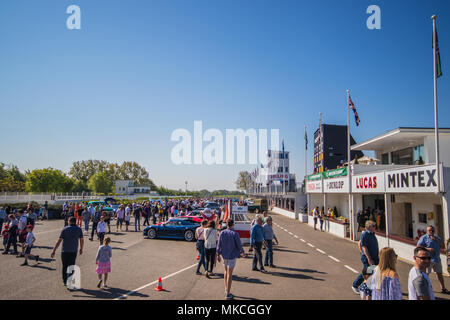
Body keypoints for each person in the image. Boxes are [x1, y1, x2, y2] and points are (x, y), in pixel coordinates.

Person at [216, 219, 246, 300]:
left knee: (226, 272)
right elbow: (239, 244)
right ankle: (228, 293)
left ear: (227, 225)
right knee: (230, 274)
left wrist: (218, 254)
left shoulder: (222, 233)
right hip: (232, 255)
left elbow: (219, 244)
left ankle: (226, 289)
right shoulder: (235, 233)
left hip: (224, 255)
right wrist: (242, 252)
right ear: (233, 224)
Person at [51, 217, 84, 287]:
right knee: (72, 266)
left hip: (65, 250)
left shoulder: (65, 229)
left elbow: (59, 240)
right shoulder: (79, 229)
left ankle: (65, 280)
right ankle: (70, 280)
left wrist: (54, 250)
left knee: (65, 266)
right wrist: (81, 248)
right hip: (73, 250)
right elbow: (81, 240)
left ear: (69, 221)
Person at [417, 225, 448, 294]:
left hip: (437, 259)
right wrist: (428, 249)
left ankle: (443, 288)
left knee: (439, 273)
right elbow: (418, 246)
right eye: (429, 230)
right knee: (426, 274)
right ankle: (424, 288)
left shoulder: (437, 237)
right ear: (427, 231)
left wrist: (437, 240)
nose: (431, 232)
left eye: (432, 230)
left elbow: (443, 246)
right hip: (428, 259)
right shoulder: (424, 238)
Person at [352, 220, 379, 294]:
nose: (375, 227)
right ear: (369, 227)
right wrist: (369, 259)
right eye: (373, 226)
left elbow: (360, 243)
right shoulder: (365, 234)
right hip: (369, 258)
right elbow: (364, 246)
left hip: (374, 257)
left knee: (373, 271)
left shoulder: (372, 234)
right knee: (367, 272)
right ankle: (355, 285)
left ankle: (371, 286)